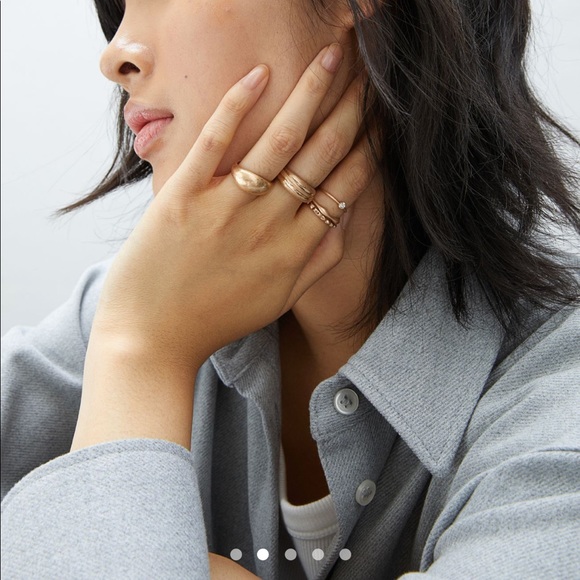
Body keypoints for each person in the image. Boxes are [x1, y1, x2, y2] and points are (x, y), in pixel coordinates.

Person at [2, 0, 579, 578]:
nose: (114, 57)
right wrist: (141, 349)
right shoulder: (134, 314)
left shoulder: (558, 404)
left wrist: (143, 360)